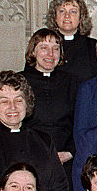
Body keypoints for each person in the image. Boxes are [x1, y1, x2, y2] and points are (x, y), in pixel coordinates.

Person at [21, 28, 78, 168]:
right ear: (33, 51)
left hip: (65, 158)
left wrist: (70, 152)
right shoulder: (20, 81)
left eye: (56, 49)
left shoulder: (72, 82)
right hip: (29, 157)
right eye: (44, 48)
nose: (50, 54)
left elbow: (81, 122)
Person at [45, 0, 97, 83]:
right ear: (55, 17)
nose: (67, 16)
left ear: (81, 18)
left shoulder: (93, 46)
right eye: (62, 11)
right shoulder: (43, 45)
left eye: (73, 12)